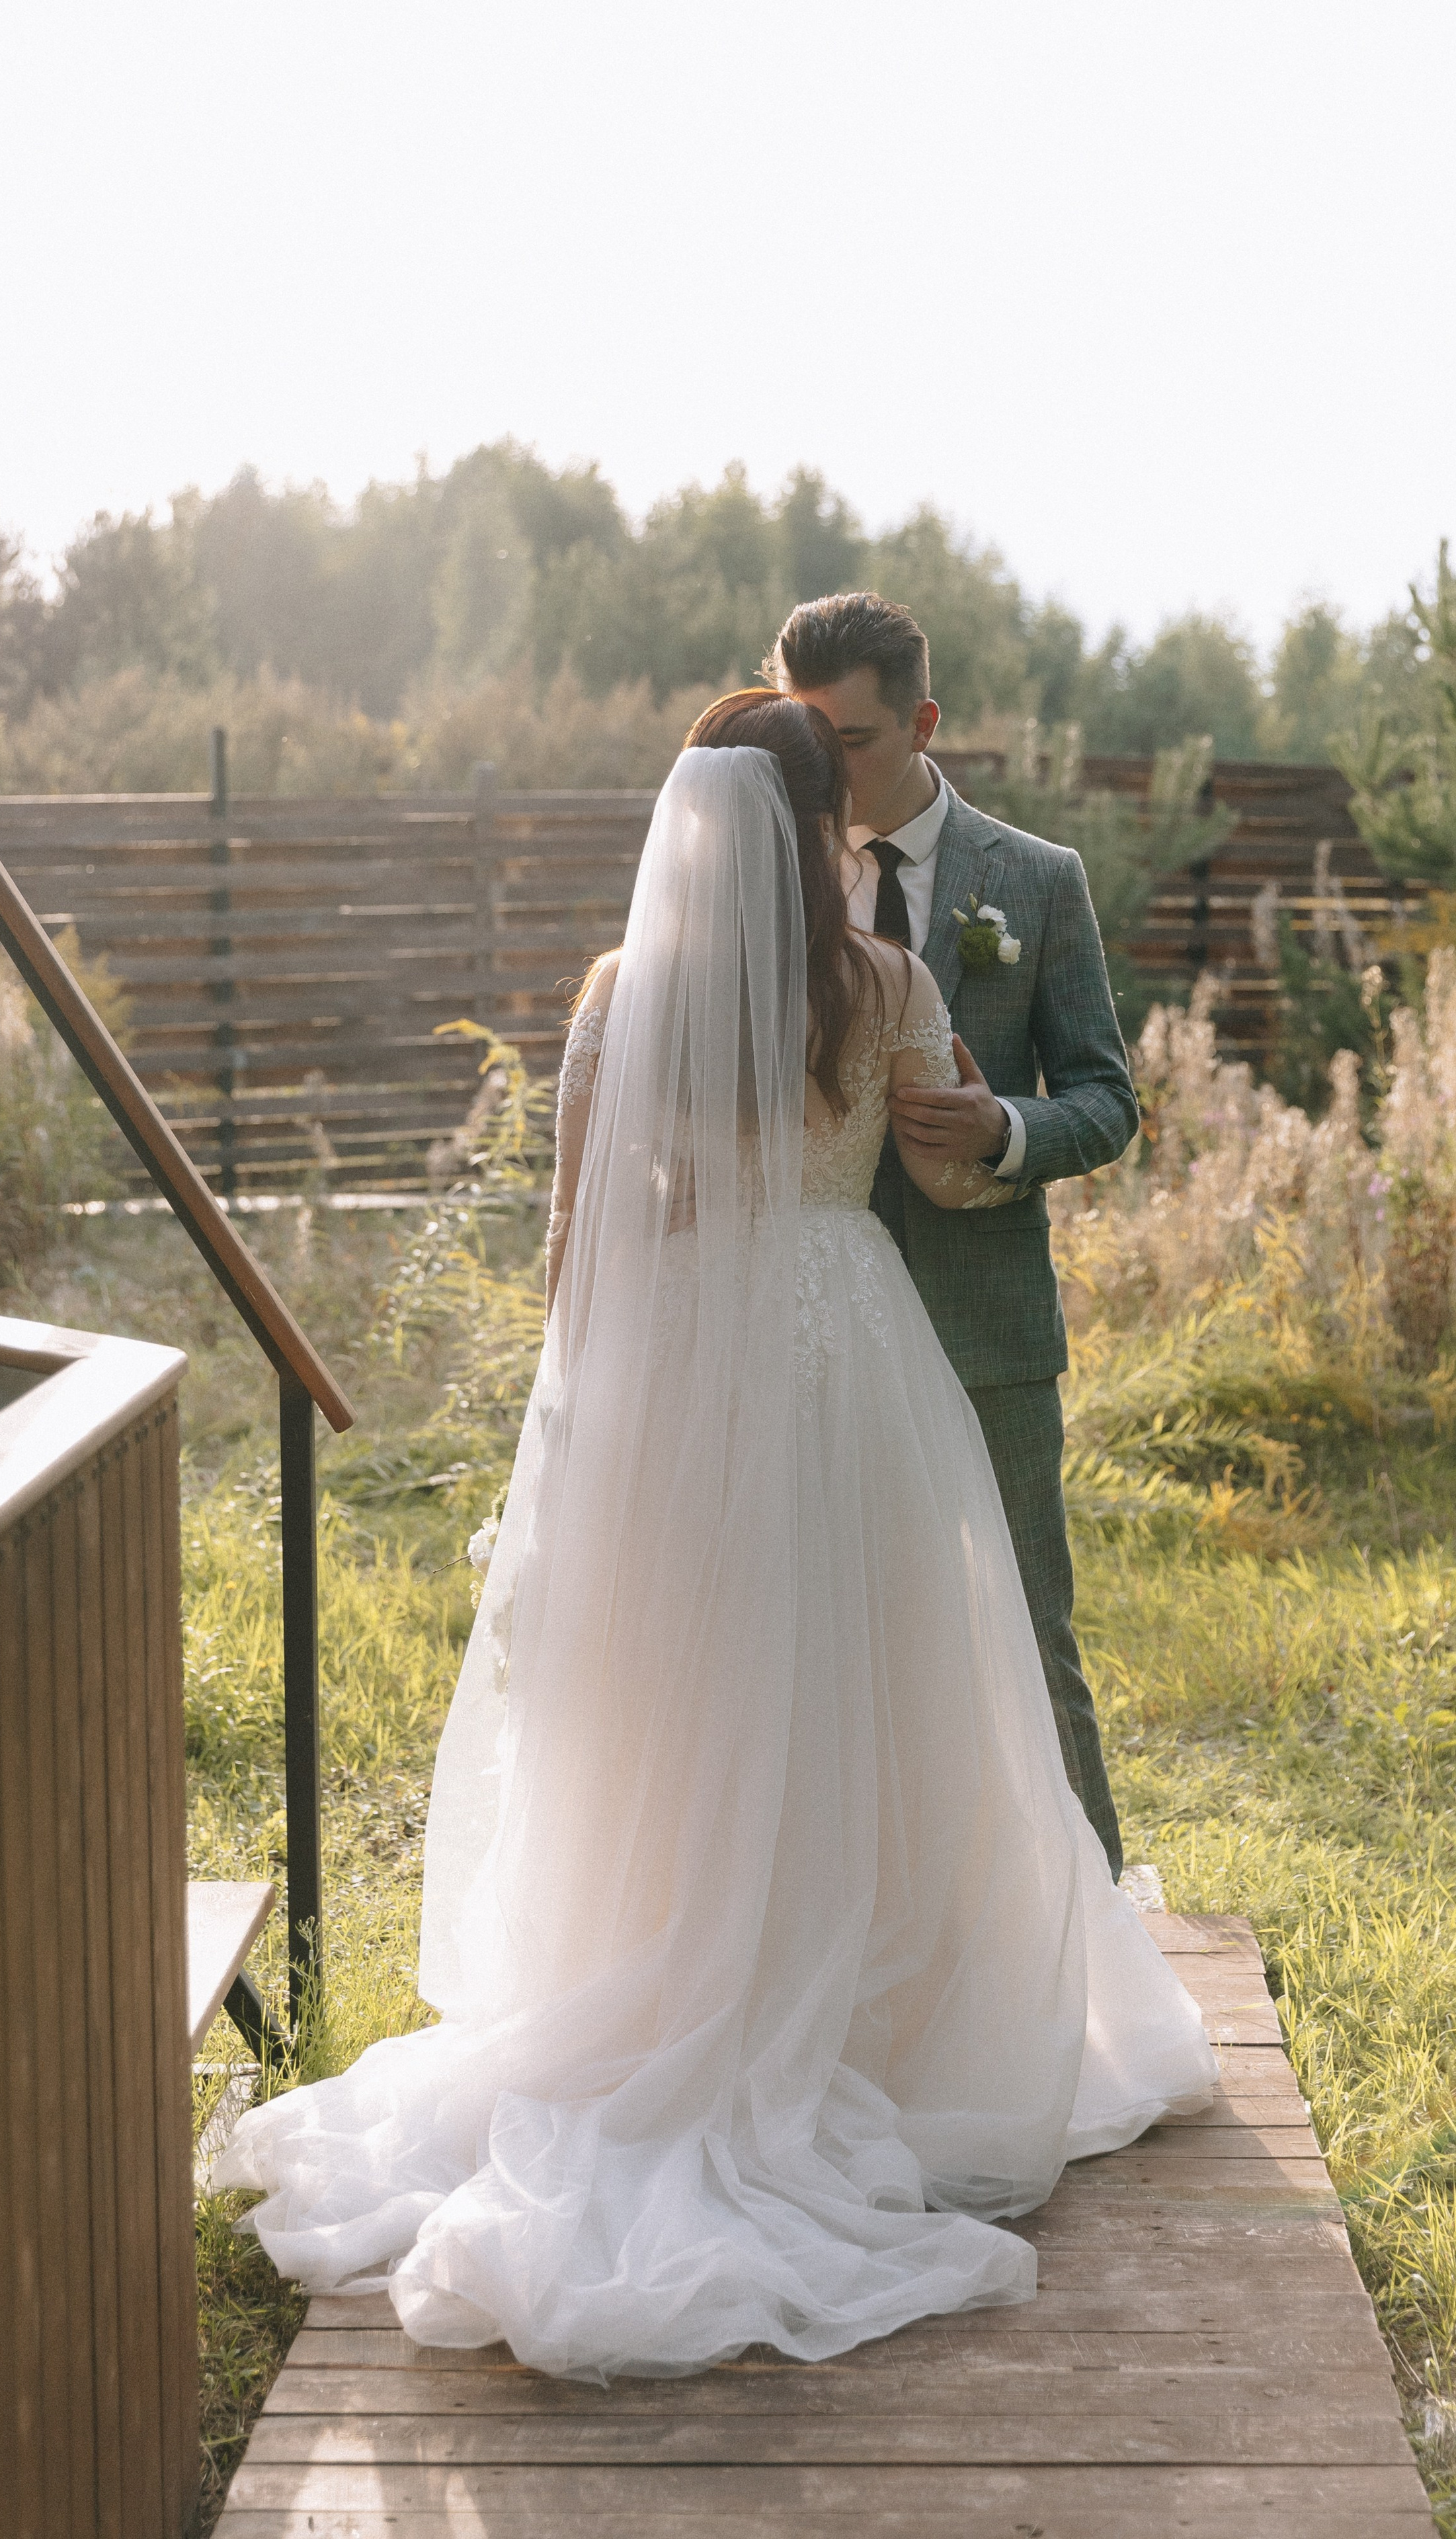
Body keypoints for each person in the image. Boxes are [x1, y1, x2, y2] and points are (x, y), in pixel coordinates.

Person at [215, 696, 1214, 2381]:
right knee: (870, 1667)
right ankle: (874, 2013)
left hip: (679, 1359)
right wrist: (977, 1124)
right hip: (848, 1343)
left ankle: (679, 1960)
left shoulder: (622, 994)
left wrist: (577, 1433)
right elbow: (947, 1177)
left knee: (682, 1686)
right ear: (819, 824)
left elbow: (574, 1244)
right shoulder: (883, 984)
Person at [773, 592, 1133, 1875]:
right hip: (808, 1333)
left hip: (984, 1329)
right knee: (830, 1640)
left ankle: (1091, 1916)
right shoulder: (765, 884)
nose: (823, 773)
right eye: (802, 740)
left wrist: (1002, 1128)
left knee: (1027, 1628)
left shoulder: (1036, 880)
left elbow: (1106, 1099)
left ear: (922, 724)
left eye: (850, 742)